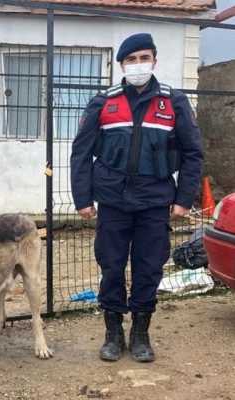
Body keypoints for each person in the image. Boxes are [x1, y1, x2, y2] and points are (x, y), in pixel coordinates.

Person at [70, 33, 203, 363]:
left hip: (154, 201)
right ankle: (113, 332)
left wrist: (184, 199)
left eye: (144, 58)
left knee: (148, 268)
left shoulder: (174, 102)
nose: (138, 65)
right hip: (113, 201)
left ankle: (140, 332)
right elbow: (81, 152)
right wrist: (83, 198)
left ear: (154, 61)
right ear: (121, 65)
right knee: (111, 267)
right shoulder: (104, 102)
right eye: (131, 60)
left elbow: (193, 153)